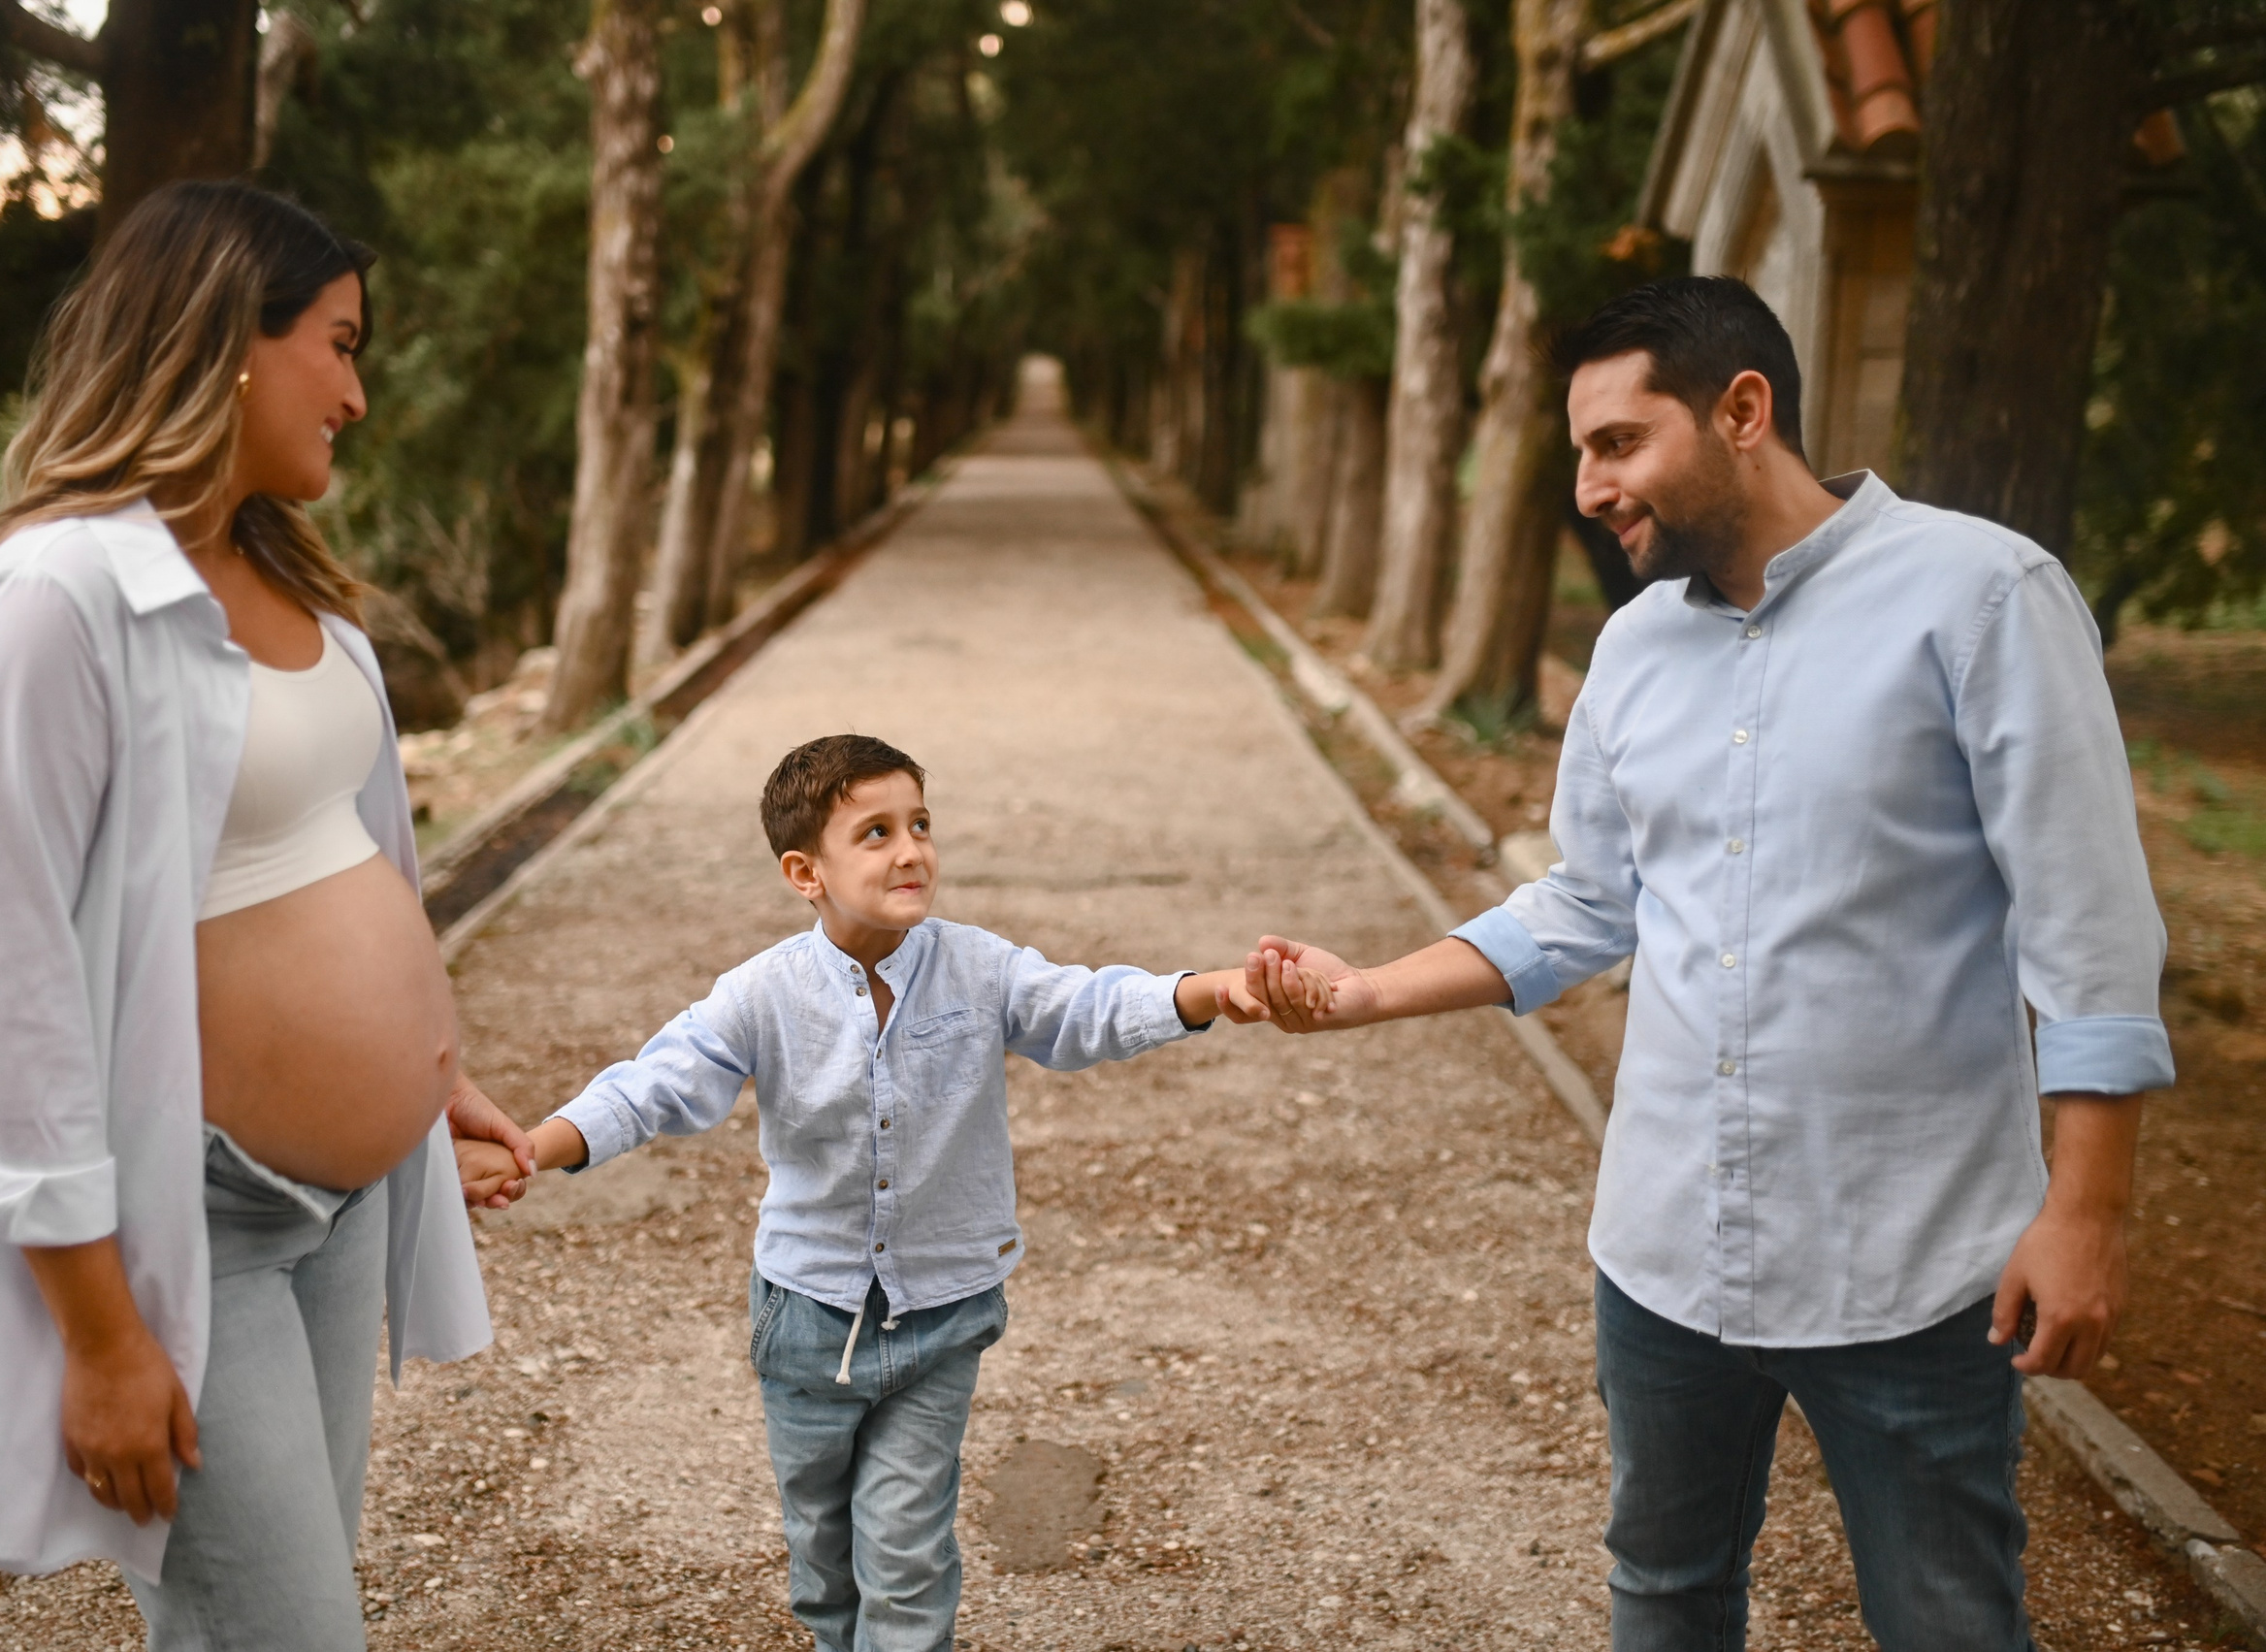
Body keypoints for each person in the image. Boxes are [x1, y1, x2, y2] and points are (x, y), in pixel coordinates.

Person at [1243, 276, 2170, 1651]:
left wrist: (2082, 1211)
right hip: (1667, 1253)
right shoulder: (1631, 648)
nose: (1589, 486)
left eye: (1618, 442)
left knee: (1947, 1620)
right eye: (1579, 452)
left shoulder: (1982, 596)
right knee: (1666, 1596)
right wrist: (1373, 986)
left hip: (1909, 1266)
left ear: (1745, 409)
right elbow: (1584, 901)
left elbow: (2088, 924)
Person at [0, 180, 535, 1649]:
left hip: (347, 1198)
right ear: (226, 344)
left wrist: (429, 1075)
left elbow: (334, 844)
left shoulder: (280, 571)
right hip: (198, 1216)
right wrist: (102, 1332)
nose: (358, 391)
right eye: (337, 342)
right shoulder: (53, 603)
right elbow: (2, 994)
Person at [457, 733, 1294, 1652]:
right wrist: (536, 1147)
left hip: (943, 1313)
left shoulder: (979, 966)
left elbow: (1082, 1007)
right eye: (877, 832)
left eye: (921, 824)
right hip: (809, 1319)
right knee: (822, 1555)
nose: (911, 851)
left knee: (905, 1556)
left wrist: (1210, 990)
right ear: (804, 870)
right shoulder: (762, 992)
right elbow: (655, 1083)